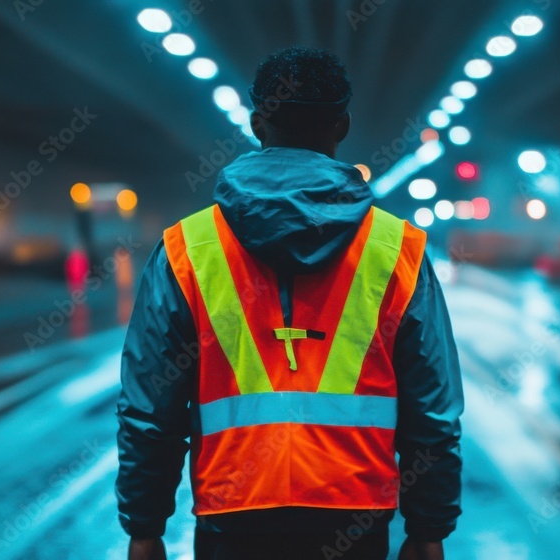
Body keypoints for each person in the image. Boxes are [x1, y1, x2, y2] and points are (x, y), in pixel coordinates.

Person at [116, 47, 463, 560]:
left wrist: (144, 527)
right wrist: (429, 528)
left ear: (257, 123)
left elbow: (150, 407)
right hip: (356, 514)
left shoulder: (186, 249)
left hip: (233, 511)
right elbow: (431, 408)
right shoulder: (398, 249)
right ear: (342, 125)